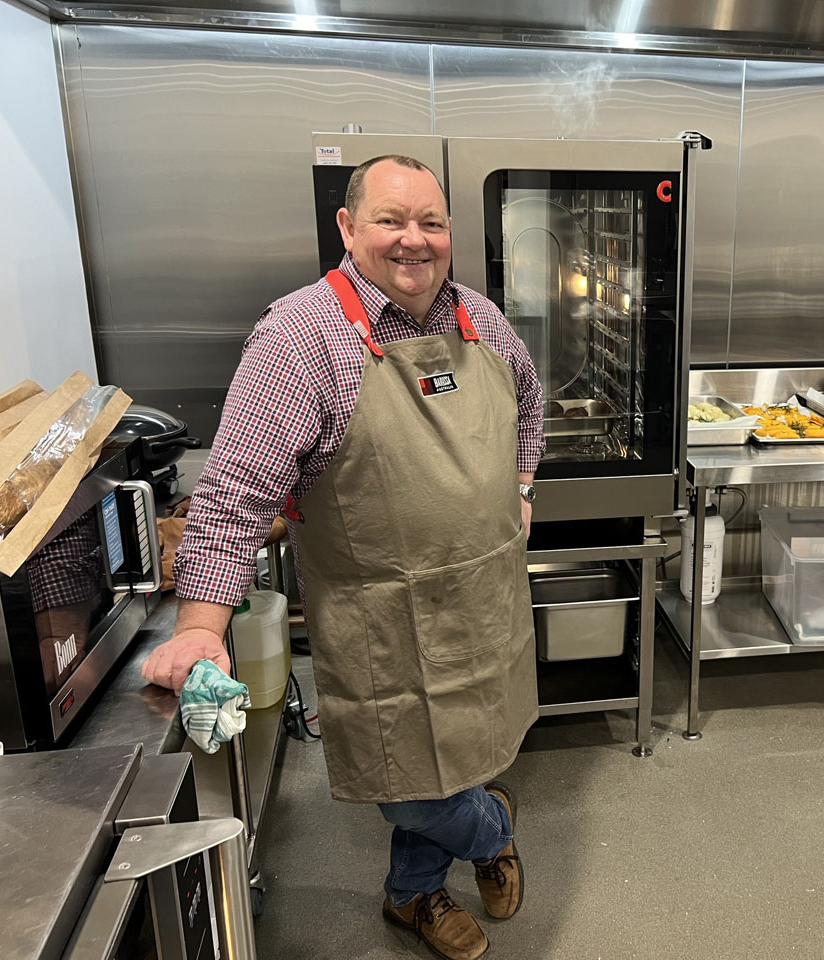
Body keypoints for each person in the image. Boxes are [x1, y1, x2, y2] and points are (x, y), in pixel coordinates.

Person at [141, 154, 545, 960]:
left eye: (432, 222)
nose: (414, 241)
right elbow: (236, 495)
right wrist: (197, 625)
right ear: (348, 228)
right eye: (392, 221)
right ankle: (490, 829)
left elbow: (529, 403)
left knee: (457, 755)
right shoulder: (301, 337)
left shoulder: (482, 322)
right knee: (407, 788)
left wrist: (523, 484)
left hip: (483, 602)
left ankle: (411, 896)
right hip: (383, 622)